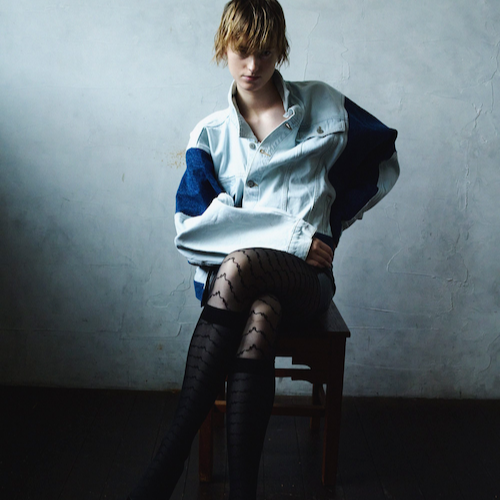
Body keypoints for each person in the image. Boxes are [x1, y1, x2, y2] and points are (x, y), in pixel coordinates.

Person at [128, 0, 399, 499]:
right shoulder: (210, 135)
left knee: (243, 269)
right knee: (259, 309)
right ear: (223, 47)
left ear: (282, 50)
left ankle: (166, 465)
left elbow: (383, 157)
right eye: (242, 51)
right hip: (235, 293)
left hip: (306, 283)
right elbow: (191, 230)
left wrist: (330, 226)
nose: (253, 66)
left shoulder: (324, 106)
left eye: (267, 53)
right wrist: (294, 237)